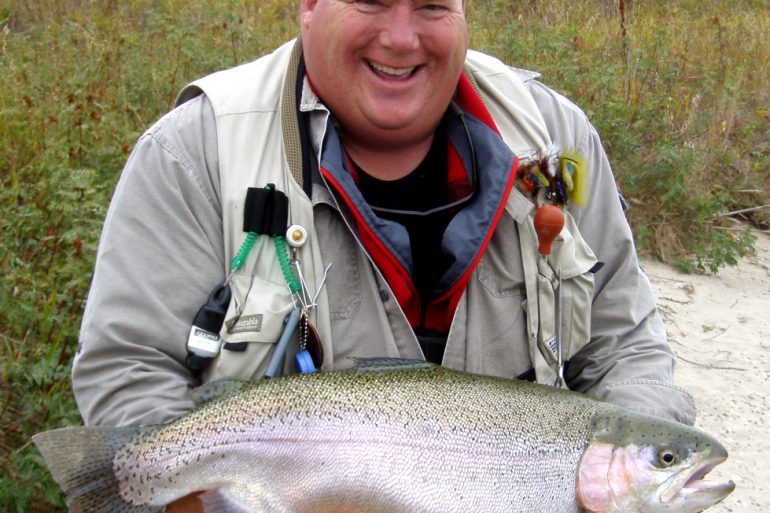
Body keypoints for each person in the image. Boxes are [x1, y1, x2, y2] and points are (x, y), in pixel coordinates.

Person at [73, 1, 695, 508]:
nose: (402, 38)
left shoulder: (554, 149)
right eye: (371, 1)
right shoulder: (196, 153)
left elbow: (625, 342)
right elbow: (128, 364)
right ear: (310, 5)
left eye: (431, 6)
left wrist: (631, 471)